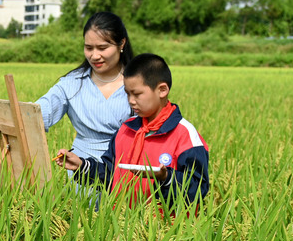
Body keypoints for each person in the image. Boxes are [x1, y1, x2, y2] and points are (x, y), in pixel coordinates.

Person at [59, 53, 209, 211]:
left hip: (165, 229)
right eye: (127, 93)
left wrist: (166, 178)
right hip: (121, 225)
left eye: (137, 94)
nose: (130, 101)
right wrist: (82, 165)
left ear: (162, 90)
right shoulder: (125, 131)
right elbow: (112, 176)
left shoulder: (185, 136)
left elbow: (198, 189)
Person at [42, 12, 134, 178]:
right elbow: (37, 113)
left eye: (102, 48)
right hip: (81, 171)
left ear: (122, 44)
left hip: (126, 171)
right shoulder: (72, 83)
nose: (94, 55)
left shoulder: (138, 82)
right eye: (88, 48)